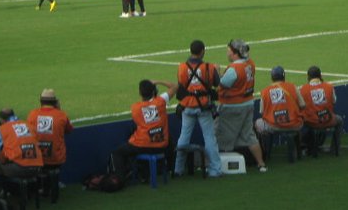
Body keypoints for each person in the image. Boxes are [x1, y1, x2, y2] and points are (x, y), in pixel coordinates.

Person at [215, 39, 268, 172]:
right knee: (249, 135)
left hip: (232, 105)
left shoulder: (234, 68)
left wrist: (217, 72)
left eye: (228, 51)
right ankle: (261, 164)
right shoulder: (250, 63)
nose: (227, 53)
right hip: (248, 103)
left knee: (216, 134)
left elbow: (222, 84)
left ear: (235, 53)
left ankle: (213, 165)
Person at [111, 79, 177, 182]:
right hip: (161, 145)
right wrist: (158, 81)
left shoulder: (135, 108)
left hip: (142, 145)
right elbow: (174, 86)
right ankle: (170, 168)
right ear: (154, 91)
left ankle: (120, 179)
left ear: (140, 93)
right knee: (170, 139)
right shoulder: (160, 102)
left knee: (117, 153)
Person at [174, 40, 222, 178]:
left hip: (187, 106)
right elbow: (217, 84)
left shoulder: (182, 67)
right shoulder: (209, 67)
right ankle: (215, 170)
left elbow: (181, 85)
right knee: (209, 138)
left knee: (183, 138)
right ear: (202, 51)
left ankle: (178, 170)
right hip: (203, 106)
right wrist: (217, 71)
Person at [0, 108, 44, 197]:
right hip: (37, 168)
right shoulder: (29, 125)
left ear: (1, 120)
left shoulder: (1, 129)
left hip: (19, 168)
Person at [299, 66, 343, 156]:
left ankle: (303, 146)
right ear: (320, 75)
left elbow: (300, 106)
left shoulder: (303, 89)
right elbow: (334, 101)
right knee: (339, 120)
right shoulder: (329, 87)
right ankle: (335, 149)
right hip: (328, 120)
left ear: (308, 77)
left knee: (301, 119)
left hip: (312, 121)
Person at [26, 89, 73, 168]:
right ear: (55, 102)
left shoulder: (32, 114)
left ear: (41, 101)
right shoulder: (61, 115)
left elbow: (28, 132)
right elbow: (69, 130)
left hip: (37, 157)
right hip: (56, 158)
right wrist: (59, 110)